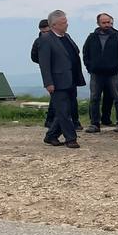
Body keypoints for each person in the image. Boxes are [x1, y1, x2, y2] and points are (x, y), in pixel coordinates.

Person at [37, 9, 86, 148]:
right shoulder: (46, 40)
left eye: (66, 21)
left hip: (71, 79)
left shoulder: (67, 36)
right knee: (63, 111)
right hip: (57, 81)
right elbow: (44, 63)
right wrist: (48, 82)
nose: (67, 24)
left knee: (67, 109)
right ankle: (71, 138)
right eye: (63, 22)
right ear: (54, 25)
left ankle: (51, 136)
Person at [82, 12, 118, 133]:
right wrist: (90, 67)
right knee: (94, 98)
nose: (107, 25)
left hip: (113, 73)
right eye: (104, 22)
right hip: (96, 73)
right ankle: (94, 124)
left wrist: (115, 67)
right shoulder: (91, 37)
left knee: (117, 98)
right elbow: (85, 53)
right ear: (98, 23)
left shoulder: (117, 37)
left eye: (108, 22)